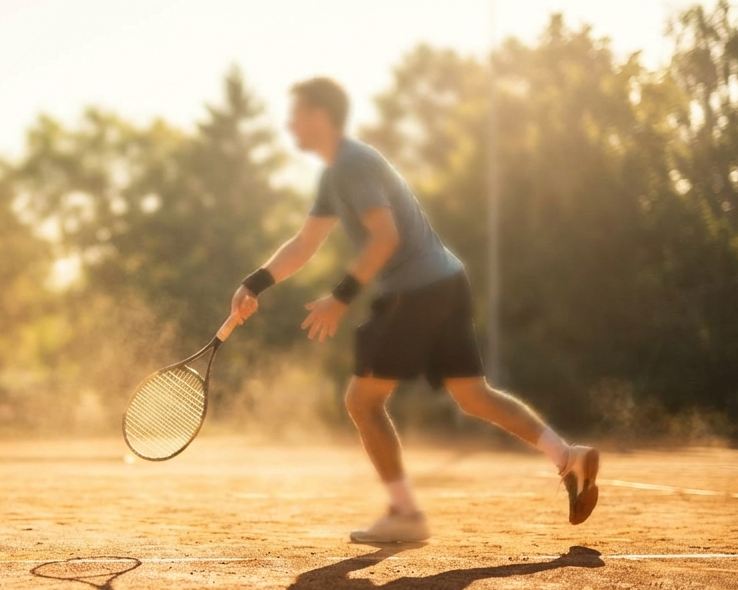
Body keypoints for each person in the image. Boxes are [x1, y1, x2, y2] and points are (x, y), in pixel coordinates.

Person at [230, 77, 599, 543]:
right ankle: (568, 457)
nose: (290, 123)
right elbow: (306, 243)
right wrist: (255, 283)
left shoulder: (351, 166)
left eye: (297, 113)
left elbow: (386, 237)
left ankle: (404, 514)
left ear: (320, 118)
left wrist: (340, 297)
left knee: (361, 402)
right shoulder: (339, 172)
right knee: (473, 396)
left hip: (415, 290)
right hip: (446, 282)